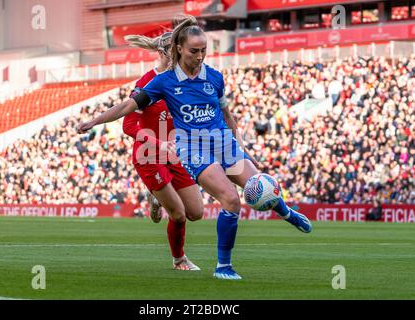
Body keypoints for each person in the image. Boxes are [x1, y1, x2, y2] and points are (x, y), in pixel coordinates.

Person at [77, 15, 312, 280]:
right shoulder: (163, 82)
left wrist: (239, 145)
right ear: (179, 49)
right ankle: (224, 266)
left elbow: (227, 114)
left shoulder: (214, 77)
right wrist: (94, 121)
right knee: (231, 200)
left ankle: (286, 212)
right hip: (192, 148)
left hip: (222, 142)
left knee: (258, 183)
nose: (200, 56)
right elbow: (126, 108)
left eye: (203, 51)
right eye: (194, 51)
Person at [121, 32, 204, 271]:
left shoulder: (185, 80)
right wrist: (160, 144)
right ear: (163, 53)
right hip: (148, 155)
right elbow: (128, 126)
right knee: (177, 214)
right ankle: (179, 259)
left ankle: (156, 197)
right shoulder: (145, 83)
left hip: (174, 154)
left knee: (196, 212)